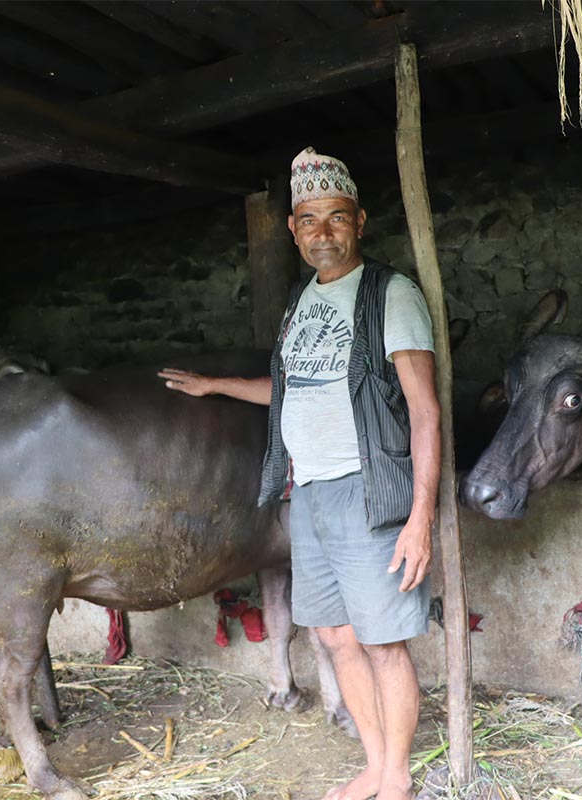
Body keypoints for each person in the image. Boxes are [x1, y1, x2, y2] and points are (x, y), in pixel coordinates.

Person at [159, 147, 441, 800]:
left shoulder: (389, 295)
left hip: (370, 492)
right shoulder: (299, 303)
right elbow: (292, 390)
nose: (323, 231)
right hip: (307, 492)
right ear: (292, 228)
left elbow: (425, 413)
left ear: (360, 221)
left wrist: (421, 517)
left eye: (336, 218)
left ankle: (396, 777)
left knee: (382, 644)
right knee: (338, 637)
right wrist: (216, 385)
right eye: (309, 219)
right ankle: (374, 763)